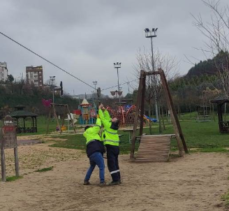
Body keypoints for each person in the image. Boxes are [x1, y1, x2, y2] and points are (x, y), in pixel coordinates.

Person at [98, 104, 121, 185]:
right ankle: (118, 178)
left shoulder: (108, 125)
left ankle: (115, 180)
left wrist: (99, 109)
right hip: (116, 147)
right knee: (115, 163)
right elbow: (107, 117)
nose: (113, 117)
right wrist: (104, 110)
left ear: (113, 121)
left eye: (114, 118)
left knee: (111, 163)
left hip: (110, 146)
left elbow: (103, 118)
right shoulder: (112, 126)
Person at [83, 117, 106, 186]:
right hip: (96, 151)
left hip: (90, 153)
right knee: (102, 166)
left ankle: (86, 180)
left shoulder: (87, 135)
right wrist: (99, 118)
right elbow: (98, 126)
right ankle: (102, 181)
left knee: (92, 166)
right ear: (90, 128)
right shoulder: (92, 131)